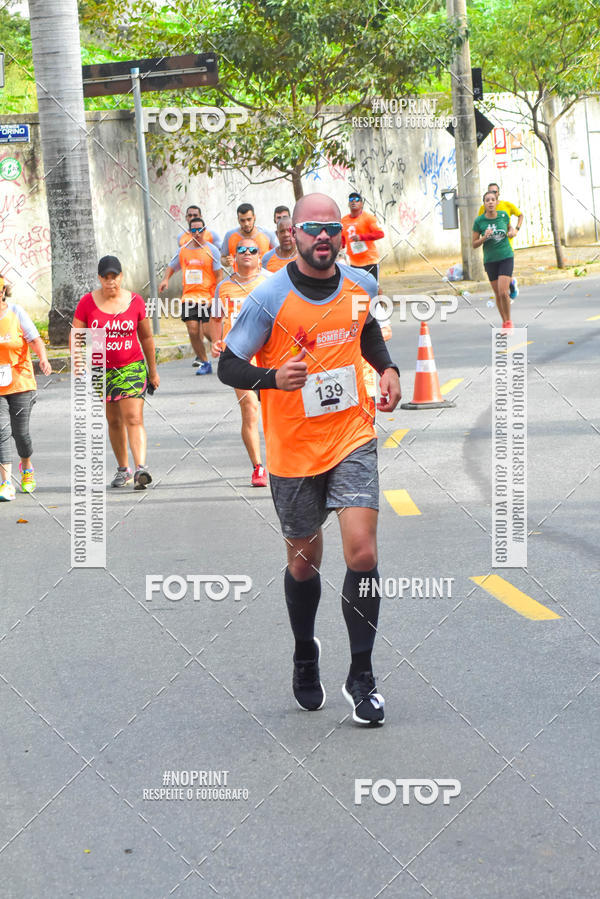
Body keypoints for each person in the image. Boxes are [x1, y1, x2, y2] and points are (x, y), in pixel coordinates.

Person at [218, 192, 401, 727]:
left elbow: (365, 329)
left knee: (362, 554)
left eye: (331, 229)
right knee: (304, 563)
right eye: (311, 228)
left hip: (351, 435)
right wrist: (272, 378)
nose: (323, 237)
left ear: (341, 235)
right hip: (294, 450)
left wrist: (386, 368)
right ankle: (305, 653)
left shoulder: (361, 284)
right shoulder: (269, 297)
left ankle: (362, 676)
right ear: (292, 234)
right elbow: (229, 364)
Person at [72, 256, 159, 489]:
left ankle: (141, 468)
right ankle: (124, 470)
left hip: (132, 366)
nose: (111, 282)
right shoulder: (87, 303)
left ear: (122, 276)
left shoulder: (136, 301)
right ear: (100, 278)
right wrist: (78, 362)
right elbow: (77, 336)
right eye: (106, 277)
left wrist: (153, 371)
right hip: (102, 371)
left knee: (133, 417)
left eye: (115, 276)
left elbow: (147, 337)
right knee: (114, 420)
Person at [211, 238, 270, 487]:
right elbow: (216, 318)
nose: (247, 253)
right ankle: (258, 466)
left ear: (259, 256)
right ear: (234, 257)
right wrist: (215, 341)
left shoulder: (270, 282)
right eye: (241, 250)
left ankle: (283, 459)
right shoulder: (223, 287)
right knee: (249, 409)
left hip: (268, 356)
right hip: (238, 357)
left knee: (274, 412)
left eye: (252, 250)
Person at [0, 276, 52, 501]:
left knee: (20, 434)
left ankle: (27, 466)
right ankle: (6, 483)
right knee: (1, 431)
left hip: (21, 382)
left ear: (3, 291)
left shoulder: (16, 313)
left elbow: (35, 339)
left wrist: (43, 358)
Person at [159, 217, 223, 374]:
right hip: (189, 298)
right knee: (193, 330)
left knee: (209, 332)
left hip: (208, 298)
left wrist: (217, 297)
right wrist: (166, 279)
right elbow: (172, 266)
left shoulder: (212, 250)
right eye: (193, 230)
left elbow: (219, 275)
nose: (197, 233)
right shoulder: (183, 251)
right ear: (189, 232)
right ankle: (204, 362)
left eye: (200, 230)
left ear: (204, 231)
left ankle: (224, 354)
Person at [472, 190, 518, 328]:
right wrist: (484, 237)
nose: (490, 202)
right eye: (487, 200)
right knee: (497, 293)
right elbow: (474, 244)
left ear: (496, 202)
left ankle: (509, 321)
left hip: (506, 256)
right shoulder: (479, 221)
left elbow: (510, 229)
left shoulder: (503, 216)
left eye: (493, 199)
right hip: (490, 260)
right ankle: (504, 321)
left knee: (503, 291)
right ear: (484, 204)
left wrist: (512, 232)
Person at [478, 183, 523, 299]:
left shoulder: (506, 206)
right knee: (499, 276)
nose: (492, 196)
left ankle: (507, 295)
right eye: (490, 192)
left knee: (504, 272)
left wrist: (516, 230)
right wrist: (484, 236)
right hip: (491, 248)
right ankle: (510, 285)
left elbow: (520, 215)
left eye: (495, 192)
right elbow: (480, 224)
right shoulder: (483, 209)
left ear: (499, 194)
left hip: (506, 245)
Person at [341, 191, 385, 281]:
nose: (353, 202)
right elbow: (342, 240)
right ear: (348, 204)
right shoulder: (343, 220)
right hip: (353, 263)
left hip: (370, 261)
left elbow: (380, 234)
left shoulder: (368, 218)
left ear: (362, 204)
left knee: (373, 289)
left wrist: (361, 237)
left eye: (357, 200)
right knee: (359, 291)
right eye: (351, 200)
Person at [221, 204, 277, 269]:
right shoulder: (229, 235)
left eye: (249, 219)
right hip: (239, 278)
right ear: (238, 220)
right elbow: (223, 258)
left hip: (263, 278)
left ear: (254, 217)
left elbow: (280, 253)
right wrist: (226, 261)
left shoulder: (267, 234)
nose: (246, 224)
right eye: (242, 220)